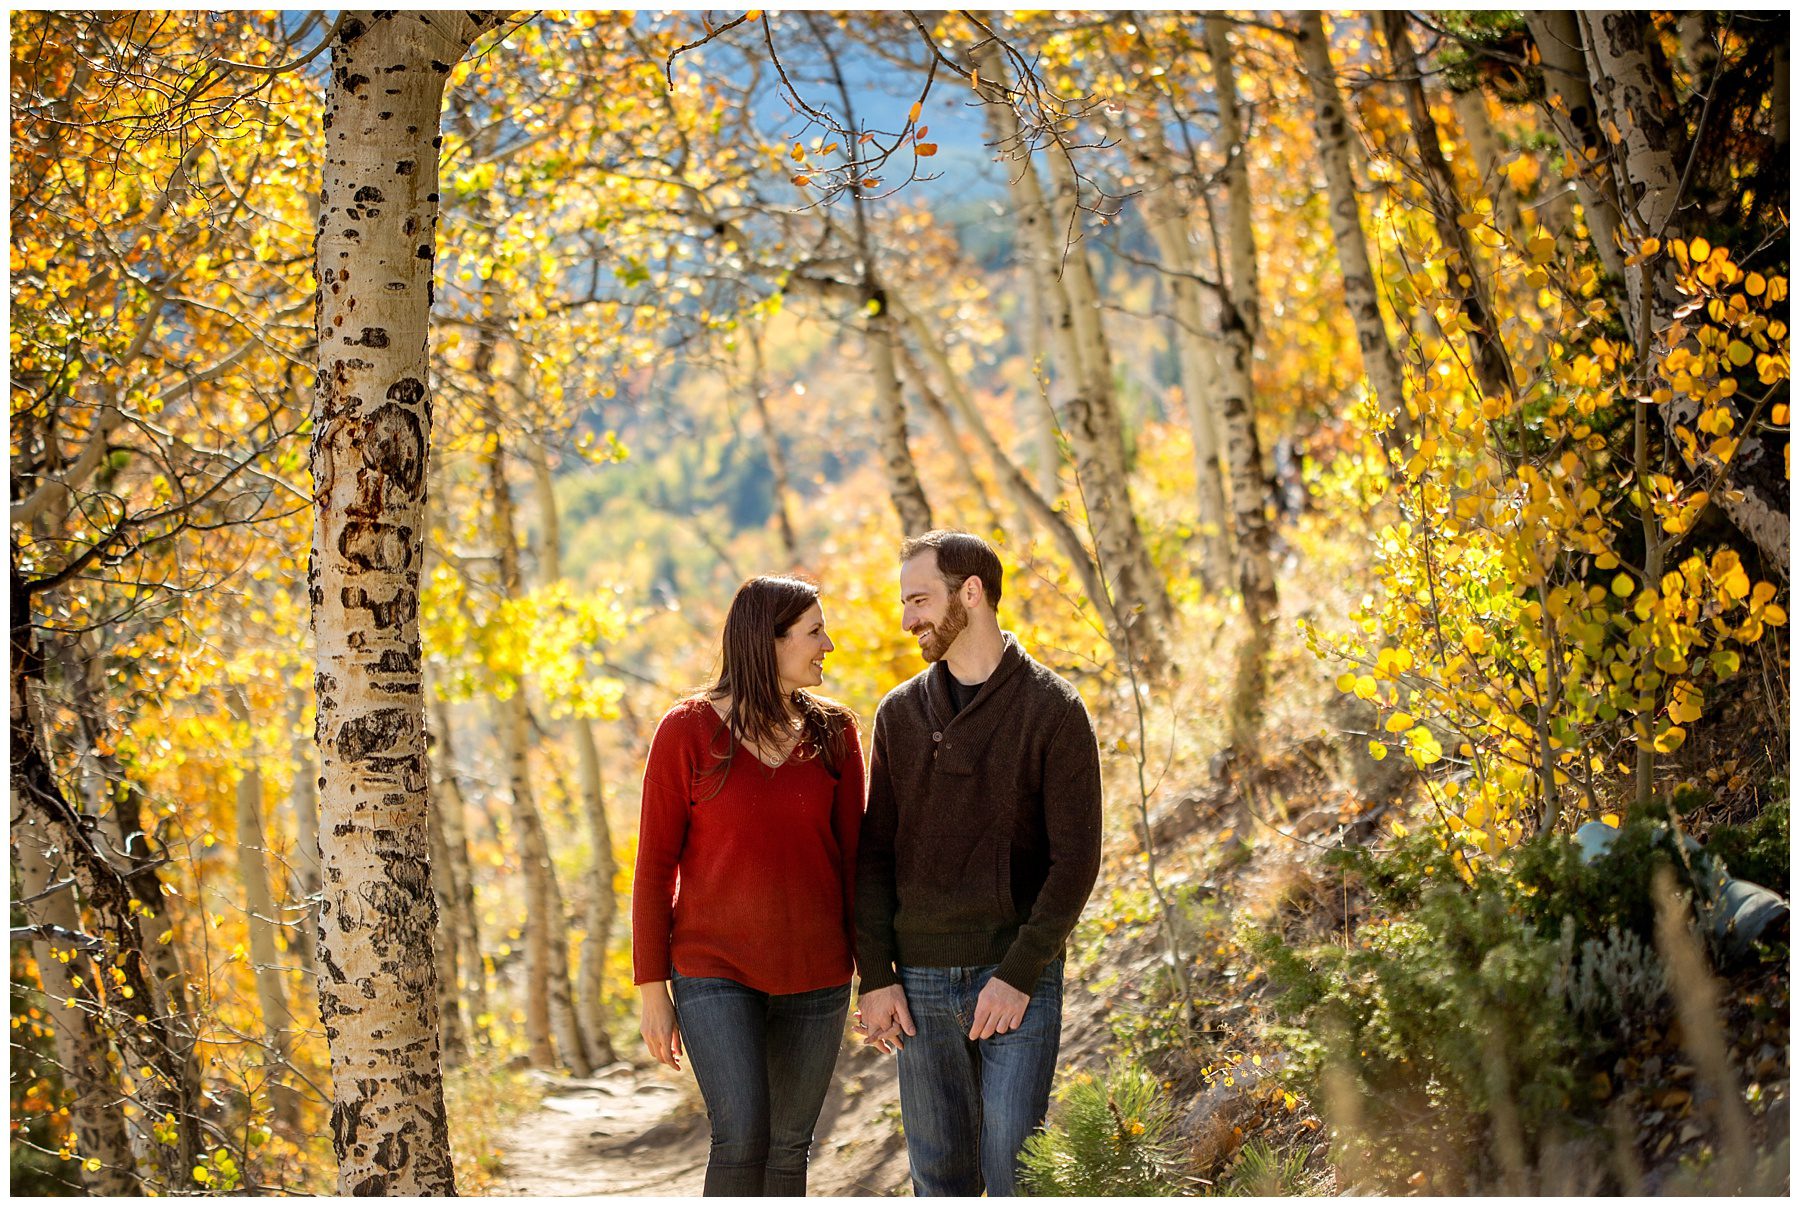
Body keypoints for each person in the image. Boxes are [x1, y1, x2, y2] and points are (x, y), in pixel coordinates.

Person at [853, 530, 1103, 1196]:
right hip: (921, 989)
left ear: (972, 592)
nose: (908, 620)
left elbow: (1075, 861)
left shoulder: (1054, 709)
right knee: (940, 1180)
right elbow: (873, 856)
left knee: (1015, 1176)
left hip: (1018, 981)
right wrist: (875, 974)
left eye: (919, 599)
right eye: (905, 603)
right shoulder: (899, 714)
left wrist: (1020, 973)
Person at [631, 575, 865, 1197]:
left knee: (789, 1150)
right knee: (741, 1136)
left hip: (817, 975)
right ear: (769, 641)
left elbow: (855, 865)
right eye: (814, 632)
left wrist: (878, 975)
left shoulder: (835, 735)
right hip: (714, 969)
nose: (828, 644)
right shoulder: (685, 731)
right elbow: (654, 867)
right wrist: (653, 990)